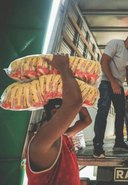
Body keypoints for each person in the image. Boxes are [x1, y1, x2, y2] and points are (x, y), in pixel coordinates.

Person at [26, 55, 92, 185]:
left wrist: (74, 89)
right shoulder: (42, 142)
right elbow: (74, 103)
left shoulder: (63, 136)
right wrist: (63, 67)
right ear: (55, 111)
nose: (71, 116)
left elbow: (86, 120)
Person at [93, 30, 128, 157]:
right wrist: (112, 81)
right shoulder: (115, 44)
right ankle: (98, 145)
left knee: (121, 113)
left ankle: (119, 143)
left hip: (119, 86)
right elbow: (104, 61)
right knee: (103, 111)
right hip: (106, 82)